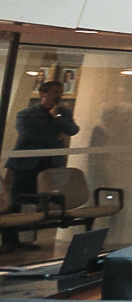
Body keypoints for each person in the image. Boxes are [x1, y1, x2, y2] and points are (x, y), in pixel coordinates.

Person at [7, 78, 78, 219]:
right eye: (55, 92)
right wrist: (56, 138)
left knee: (44, 200)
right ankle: (13, 236)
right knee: (21, 199)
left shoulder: (63, 113)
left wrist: (56, 117)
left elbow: (72, 130)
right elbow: (27, 135)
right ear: (43, 94)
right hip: (27, 163)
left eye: (61, 92)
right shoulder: (27, 114)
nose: (59, 96)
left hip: (51, 163)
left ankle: (32, 234)